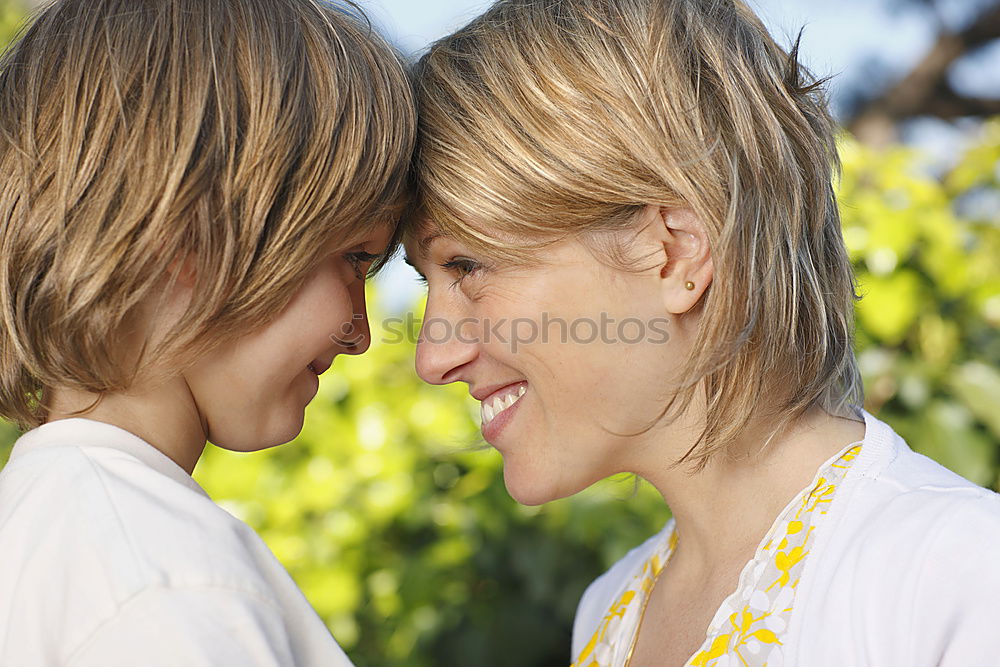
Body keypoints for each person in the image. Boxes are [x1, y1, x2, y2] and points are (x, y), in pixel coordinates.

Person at [402, 0, 1000, 665]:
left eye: (466, 264)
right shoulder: (609, 609)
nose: (433, 355)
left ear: (674, 253)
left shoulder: (957, 577)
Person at [0, 0, 413, 664]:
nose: (360, 333)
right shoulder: (166, 583)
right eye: (354, 258)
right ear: (193, 234)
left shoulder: (43, 532)